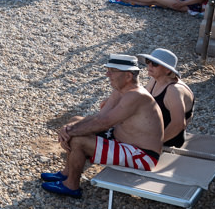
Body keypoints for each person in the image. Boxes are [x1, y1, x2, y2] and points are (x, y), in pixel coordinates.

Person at [41, 54, 163, 198]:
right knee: (75, 119)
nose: (107, 74)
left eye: (112, 71)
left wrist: (71, 133)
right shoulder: (121, 91)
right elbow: (99, 117)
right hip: (125, 142)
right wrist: (70, 127)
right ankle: (66, 173)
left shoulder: (136, 96)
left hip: (142, 155)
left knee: (78, 140)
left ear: (128, 76)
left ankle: (71, 185)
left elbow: (104, 123)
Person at [140, 48, 194, 148]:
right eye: (148, 61)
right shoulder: (155, 79)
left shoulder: (174, 90)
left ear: (167, 69)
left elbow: (178, 124)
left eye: (155, 64)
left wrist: (155, 143)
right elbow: (142, 101)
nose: (149, 65)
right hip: (152, 131)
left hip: (168, 139)